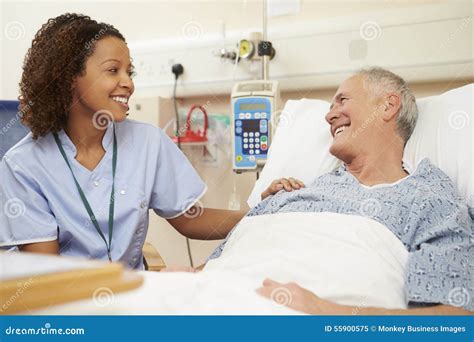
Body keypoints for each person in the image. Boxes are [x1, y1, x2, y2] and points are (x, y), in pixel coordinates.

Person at [202, 67, 472, 314]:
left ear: (389, 106)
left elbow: (452, 323)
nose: (329, 115)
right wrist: (183, 278)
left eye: (343, 100)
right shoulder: (288, 194)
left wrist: (325, 310)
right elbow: (211, 269)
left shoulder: (430, 201)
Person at [0, 13, 246, 268]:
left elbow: (191, 219)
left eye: (130, 72)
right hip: (66, 301)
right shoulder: (23, 165)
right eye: (112, 70)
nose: (128, 83)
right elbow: (47, 273)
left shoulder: (148, 142)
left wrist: (262, 213)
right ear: (69, 77)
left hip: (132, 293)